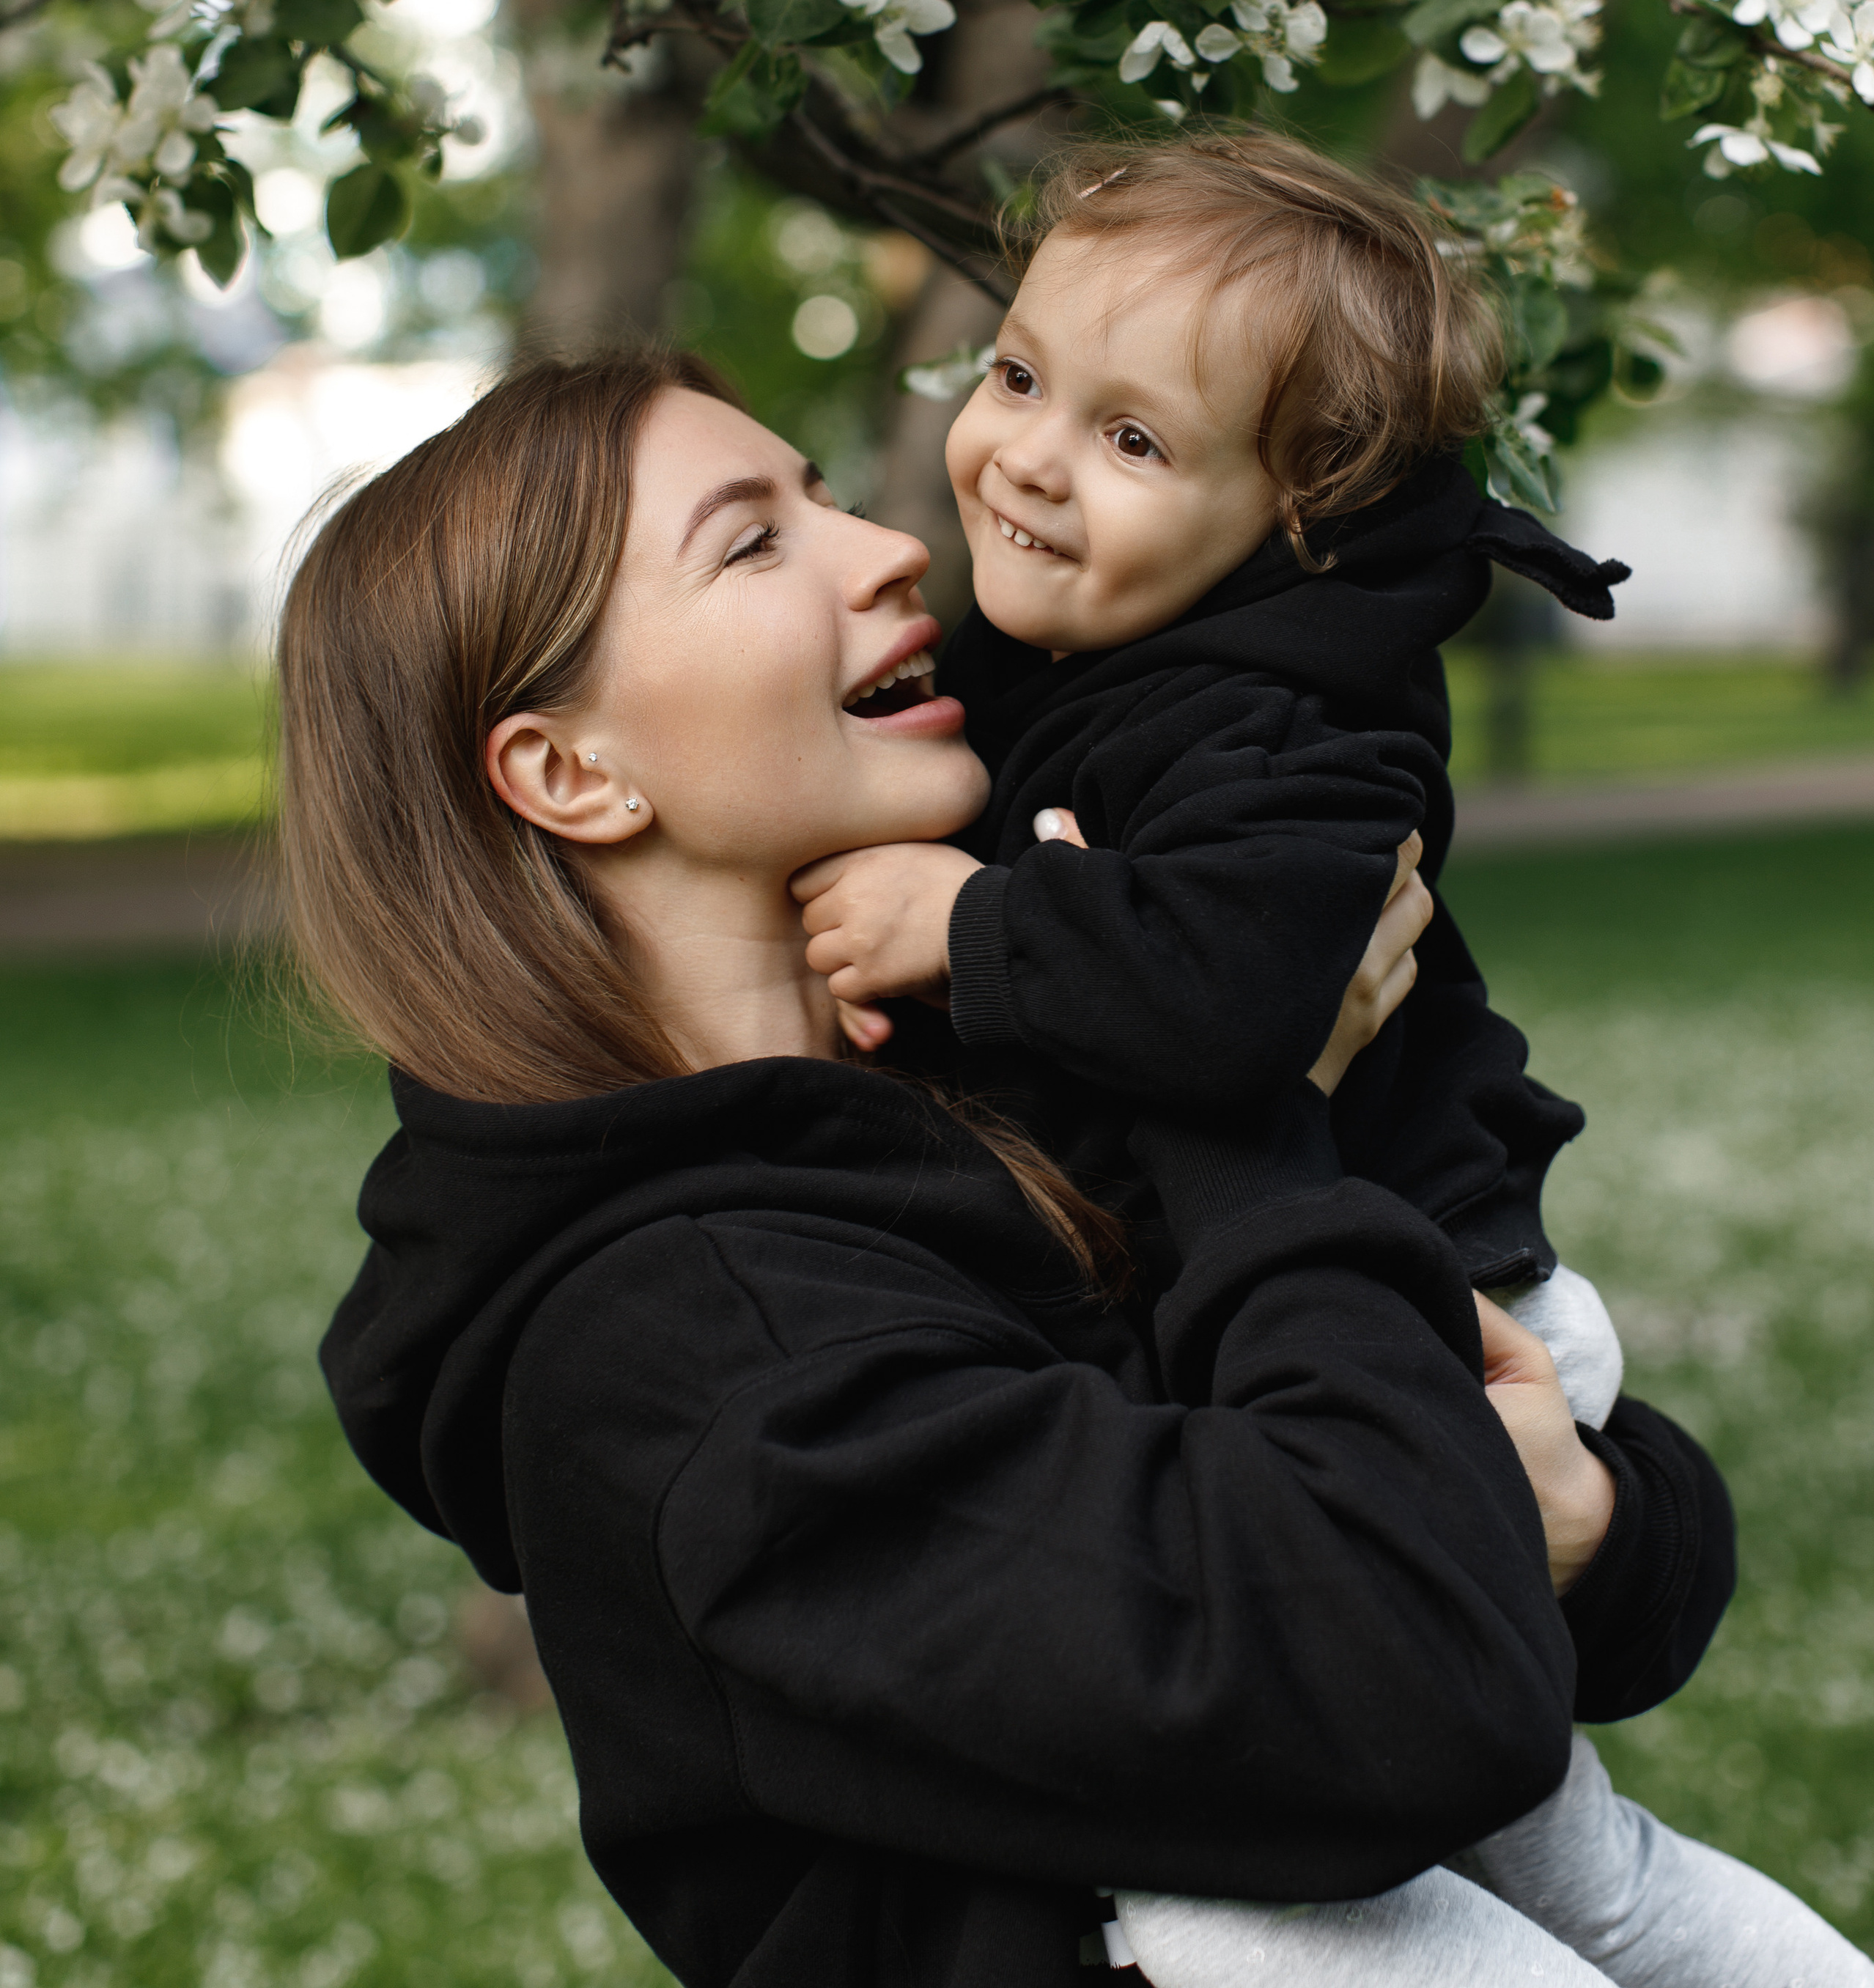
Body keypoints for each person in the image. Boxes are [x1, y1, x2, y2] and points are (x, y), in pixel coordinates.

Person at [294, 352, 1737, 1988]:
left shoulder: (974, 1059)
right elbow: (1409, 1696)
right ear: (569, 771)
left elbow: (1604, 1537)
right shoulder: (699, 1351)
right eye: (751, 543)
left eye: (826, 493)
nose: (888, 548)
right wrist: (1245, 1106)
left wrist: (1588, 1524)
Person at [790, 133, 1873, 1984]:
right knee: (1567, 1868)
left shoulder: (1279, 716)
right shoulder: (1091, 661)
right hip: (1362, 1317)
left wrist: (960, 931)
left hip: (1425, 1331)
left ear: (1297, 517)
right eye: (1020, 375)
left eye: (1134, 441)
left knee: (1295, 1866)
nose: (1029, 456)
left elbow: (1239, 996)